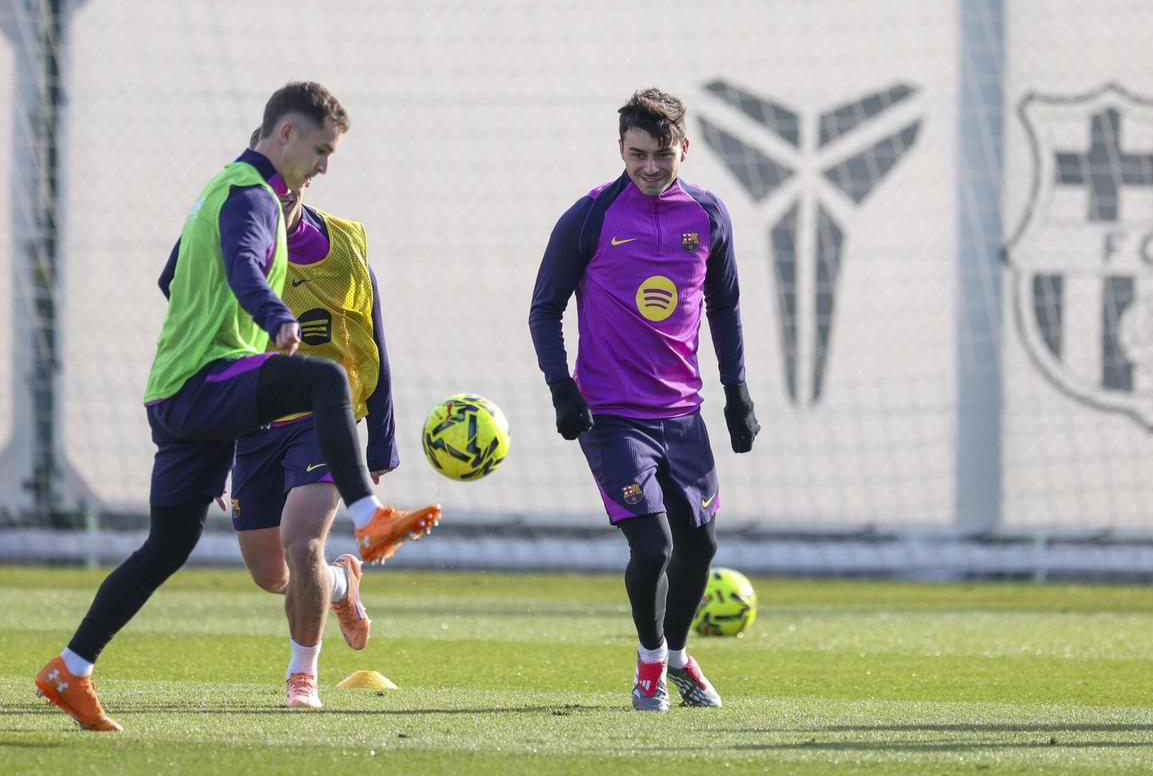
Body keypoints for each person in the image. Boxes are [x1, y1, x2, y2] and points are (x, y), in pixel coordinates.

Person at [35, 82, 440, 731]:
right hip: (208, 378)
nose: (324, 166)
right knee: (324, 382)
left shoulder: (220, 191)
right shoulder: (253, 195)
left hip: (176, 394)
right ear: (284, 135)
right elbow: (249, 268)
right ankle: (371, 519)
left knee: (167, 546)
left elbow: (174, 277)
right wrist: (272, 319)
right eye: (320, 150)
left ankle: (71, 669)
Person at [529, 88, 760, 713]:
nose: (650, 167)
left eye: (662, 154)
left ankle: (680, 657)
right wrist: (561, 387)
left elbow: (727, 306)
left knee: (701, 546)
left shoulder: (708, 215)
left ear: (683, 147)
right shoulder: (591, 215)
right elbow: (544, 308)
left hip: (684, 414)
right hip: (611, 416)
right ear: (621, 149)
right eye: (637, 155)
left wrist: (737, 392)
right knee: (653, 546)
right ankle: (651, 663)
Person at [224, 128, 400, 709]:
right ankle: (344, 582)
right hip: (254, 427)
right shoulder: (231, 252)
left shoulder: (344, 248)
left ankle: (303, 676)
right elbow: (214, 356)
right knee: (272, 573)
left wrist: (381, 444)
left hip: (323, 422)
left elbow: (374, 343)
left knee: (302, 546)